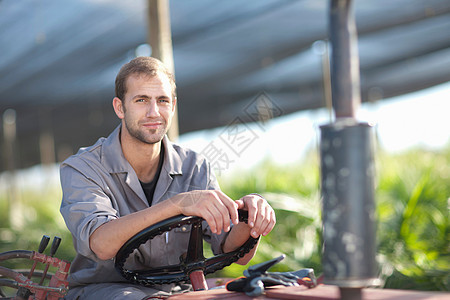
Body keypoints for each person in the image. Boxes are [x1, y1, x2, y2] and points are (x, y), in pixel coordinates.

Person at [60, 56, 276, 300]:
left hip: (178, 291)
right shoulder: (82, 168)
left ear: (172, 106)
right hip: (105, 291)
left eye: (162, 100)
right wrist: (178, 204)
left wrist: (250, 217)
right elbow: (101, 243)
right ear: (120, 107)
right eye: (141, 100)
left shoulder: (195, 166)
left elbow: (230, 248)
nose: (154, 112)